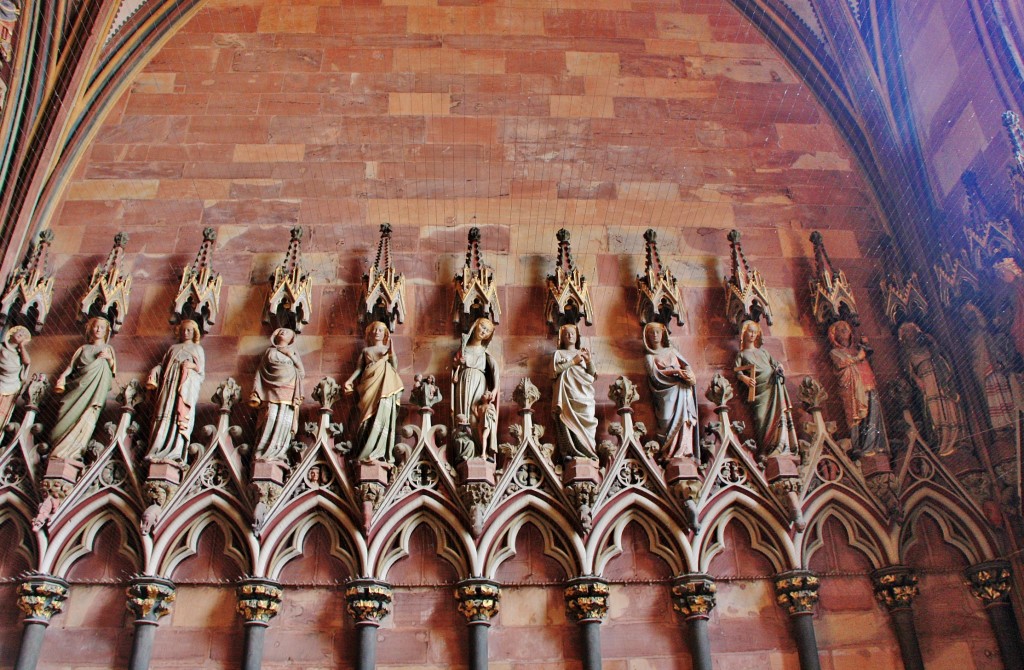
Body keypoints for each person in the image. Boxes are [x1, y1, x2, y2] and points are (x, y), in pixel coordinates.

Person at [50, 317, 116, 461]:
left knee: (88, 415)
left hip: (94, 393)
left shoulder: (107, 349)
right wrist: (62, 377)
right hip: (78, 387)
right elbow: (71, 367)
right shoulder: (83, 349)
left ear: (106, 332)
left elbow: (112, 369)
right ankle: (59, 448)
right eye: (96, 326)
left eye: (102, 328)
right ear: (90, 328)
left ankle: (72, 452)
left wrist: (109, 360)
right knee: (65, 412)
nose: (98, 329)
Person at [897, 321, 966, 457]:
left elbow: (941, 356)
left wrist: (933, 342)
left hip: (939, 377)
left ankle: (955, 440)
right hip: (926, 381)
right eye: (907, 333)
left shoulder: (927, 346)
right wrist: (917, 380)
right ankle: (942, 442)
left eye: (912, 331)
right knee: (934, 411)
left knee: (948, 406)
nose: (910, 335)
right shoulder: (906, 351)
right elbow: (908, 371)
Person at [734, 320, 797, 457]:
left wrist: (780, 367)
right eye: (749, 331)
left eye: (755, 332)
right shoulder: (742, 354)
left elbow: (776, 363)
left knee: (778, 413)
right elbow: (737, 371)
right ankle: (765, 447)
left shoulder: (763, 352)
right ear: (744, 333)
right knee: (760, 417)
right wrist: (744, 378)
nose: (752, 335)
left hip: (773, 386)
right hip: (759, 391)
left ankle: (779, 445)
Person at [146, 320, 205, 463]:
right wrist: (156, 370)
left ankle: (175, 451)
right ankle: (157, 450)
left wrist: (192, 366)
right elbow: (163, 365)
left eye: (189, 330)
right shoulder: (173, 348)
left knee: (179, 418)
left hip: (184, 389)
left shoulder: (197, 349)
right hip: (168, 388)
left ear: (194, 333)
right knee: (163, 415)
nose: (186, 333)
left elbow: (201, 371)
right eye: (184, 330)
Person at [345, 321, 404, 464]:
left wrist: (392, 353)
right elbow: (359, 369)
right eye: (374, 330)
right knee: (366, 416)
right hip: (369, 385)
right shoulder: (366, 351)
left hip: (386, 386)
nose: (377, 332)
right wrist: (349, 380)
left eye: (380, 330)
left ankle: (379, 451)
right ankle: (366, 450)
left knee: (382, 414)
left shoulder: (387, 350)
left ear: (385, 334)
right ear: (370, 333)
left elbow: (394, 367)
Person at [827, 320, 888, 457]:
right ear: (833, 335)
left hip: (868, 383)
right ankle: (862, 447)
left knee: (873, 415)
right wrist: (858, 357)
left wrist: (865, 346)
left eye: (846, 330)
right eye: (840, 331)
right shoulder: (835, 352)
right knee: (858, 419)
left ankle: (874, 445)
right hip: (853, 390)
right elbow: (841, 363)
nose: (844, 333)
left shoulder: (857, 349)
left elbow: (867, 362)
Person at [961, 304, 1024, 435]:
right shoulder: (971, 337)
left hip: (997, 368)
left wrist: (1000, 363)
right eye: (967, 318)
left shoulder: (986, 331)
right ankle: (1003, 425)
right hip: (984, 371)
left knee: (1006, 392)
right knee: (994, 398)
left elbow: (995, 348)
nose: (970, 320)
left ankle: (1013, 420)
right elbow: (975, 355)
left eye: (971, 317)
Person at [643, 322, 698, 461]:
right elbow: (654, 375)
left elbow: (687, 365)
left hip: (682, 389)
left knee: (685, 420)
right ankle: (670, 452)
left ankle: (684, 451)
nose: (655, 335)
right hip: (665, 392)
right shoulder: (649, 357)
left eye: (658, 332)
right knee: (666, 418)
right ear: (647, 337)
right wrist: (675, 371)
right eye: (651, 333)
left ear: (663, 334)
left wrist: (689, 374)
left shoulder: (672, 351)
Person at [250, 328, 305, 463]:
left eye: (287, 332)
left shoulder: (292, 352)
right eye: (281, 330)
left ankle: (279, 451)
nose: (282, 332)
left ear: (292, 338)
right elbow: (260, 372)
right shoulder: (270, 351)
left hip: (289, 389)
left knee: (284, 420)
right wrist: (256, 391)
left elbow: (301, 372)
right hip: (271, 389)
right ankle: (264, 451)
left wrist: (290, 355)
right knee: (270, 417)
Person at [452, 317, 499, 461]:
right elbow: (454, 370)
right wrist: (458, 364)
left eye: (487, 331)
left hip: (479, 383)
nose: (483, 332)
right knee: (463, 414)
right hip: (464, 382)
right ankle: (466, 449)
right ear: (475, 326)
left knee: (475, 415)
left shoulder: (485, 353)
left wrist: (494, 392)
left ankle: (480, 450)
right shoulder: (463, 348)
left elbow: (496, 375)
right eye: (482, 327)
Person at [553, 323, 598, 460]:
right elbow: (554, 371)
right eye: (566, 333)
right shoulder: (559, 353)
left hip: (584, 392)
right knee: (567, 418)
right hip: (567, 392)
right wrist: (573, 361)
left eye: (573, 333)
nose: (570, 335)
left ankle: (589, 451)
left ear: (577, 336)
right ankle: (573, 451)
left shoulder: (582, 353)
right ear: (562, 337)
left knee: (588, 416)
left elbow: (593, 375)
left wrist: (589, 361)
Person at [0, 326, 31, 429]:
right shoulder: (1, 347)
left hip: (10, 388)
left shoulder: (19, 356)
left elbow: (27, 362)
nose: (20, 334)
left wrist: (22, 346)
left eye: (23, 335)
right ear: (12, 332)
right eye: (19, 331)